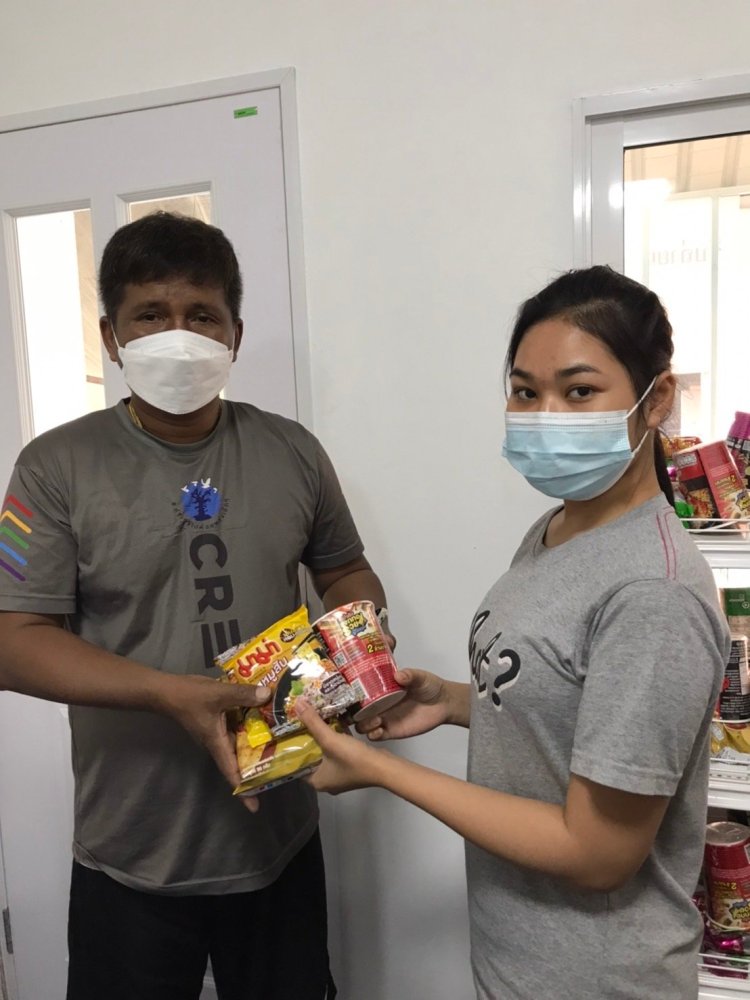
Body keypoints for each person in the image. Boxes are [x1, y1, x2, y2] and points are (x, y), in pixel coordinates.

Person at [296, 265, 731, 1000]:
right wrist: (452, 700)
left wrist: (379, 771)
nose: (545, 415)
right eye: (526, 392)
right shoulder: (559, 527)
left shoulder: (653, 593)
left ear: (655, 399)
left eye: (579, 391)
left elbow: (597, 852)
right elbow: (578, 703)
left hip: (598, 981)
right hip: (519, 963)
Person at [0, 211, 393, 1000]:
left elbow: (348, 572)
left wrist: (360, 649)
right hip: (130, 851)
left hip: (278, 836)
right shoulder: (50, 468)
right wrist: (168, 693)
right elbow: (13, 638)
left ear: (234, 335)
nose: (177, 335)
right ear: (111, 336)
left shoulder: (293, 450)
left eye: (201, 315)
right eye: (150, 315)